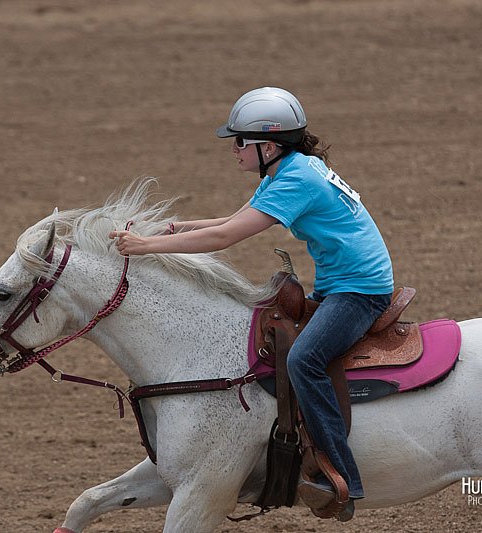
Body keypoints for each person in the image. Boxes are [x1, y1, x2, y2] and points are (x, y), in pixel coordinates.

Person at [108, 87, 394, 517]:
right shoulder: (291, 169)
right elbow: (229, 220)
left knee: (304, 361)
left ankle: (341, 478)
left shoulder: (296, 179)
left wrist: (145, 246)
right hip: (338, 285)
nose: (234, 149)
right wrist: (174, 228)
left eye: (240, 141)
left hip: (360, 292)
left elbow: (227, 237)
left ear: (268, 144)